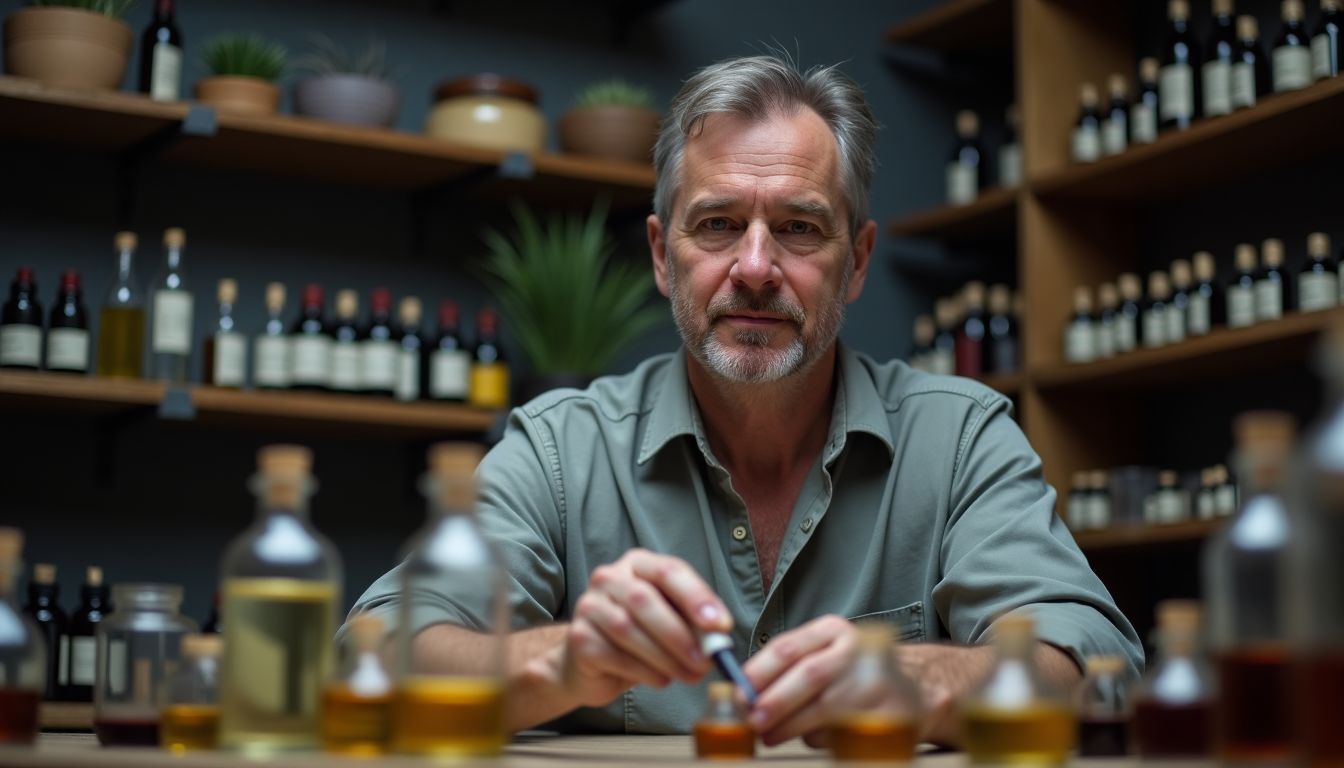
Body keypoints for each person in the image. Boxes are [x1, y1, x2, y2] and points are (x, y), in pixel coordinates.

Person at [348, 54, 1143, 746]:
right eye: (719, 224)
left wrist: (927, 680)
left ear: (857, 263)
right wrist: (559, 663)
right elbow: (377, 652)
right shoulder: (561, 451)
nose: (756, 266)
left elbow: (1091, 664)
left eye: (799, 228)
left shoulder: (961, 438)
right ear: (664, 256)